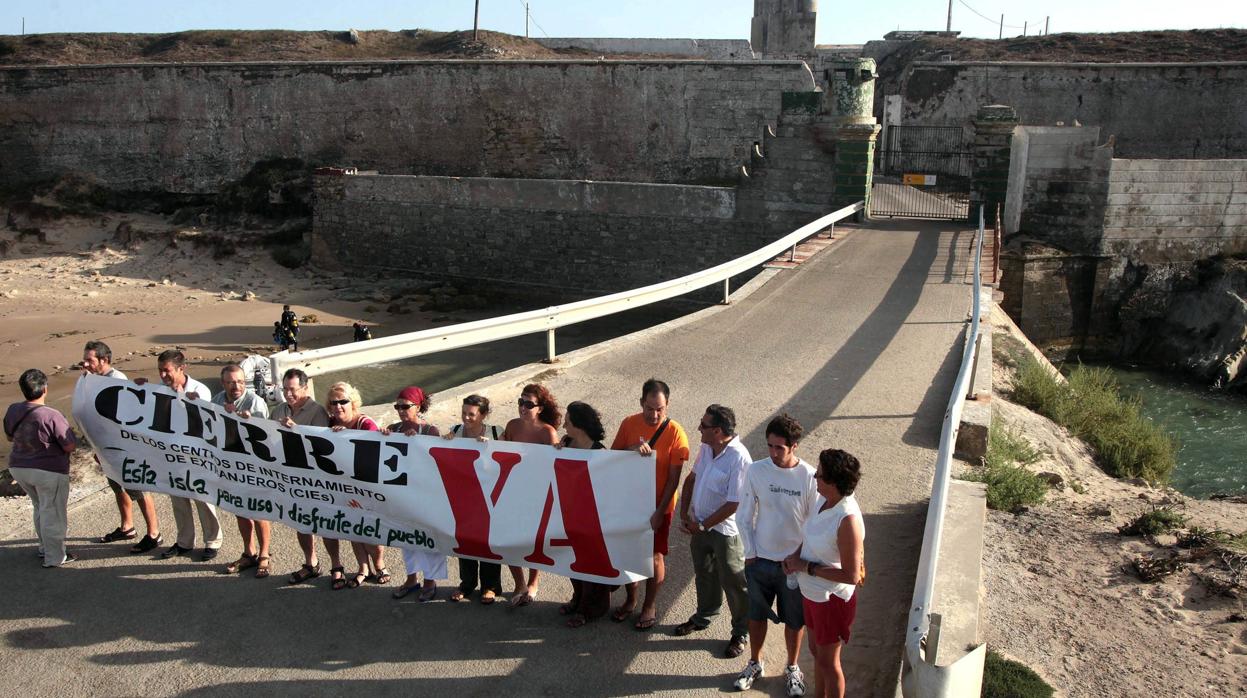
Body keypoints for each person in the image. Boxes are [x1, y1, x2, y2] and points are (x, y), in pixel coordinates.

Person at [734, 414, 818, 695]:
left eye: (779, 448)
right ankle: (755, 662)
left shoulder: (808, 476)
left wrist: (799, 559)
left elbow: (813, 523)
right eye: (769, 446)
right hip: (760, 562)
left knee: (794, 621)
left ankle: (792, 668)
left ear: (794, 446)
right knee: (756, 616)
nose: (772, 453)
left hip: (792, 566)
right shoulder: (757, 471)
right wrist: (750, 552)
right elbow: (744, 514)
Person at [609, 378, 690, 631]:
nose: (654, 414)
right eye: (649, 408)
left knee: (654, 557)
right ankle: (631, 599)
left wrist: (659, 512)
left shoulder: (676, 433)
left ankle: (649, 604)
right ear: (641, 403)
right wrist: (631, 449)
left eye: (660, 409)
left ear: (667, 406)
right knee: (629, 554)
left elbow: (674, 480)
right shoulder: (628, 424)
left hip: (659, 505)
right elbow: (610, 459)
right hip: (630, 504)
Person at [784, 450, 865, 698]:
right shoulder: (823, 500)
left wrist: (805, 567)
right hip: (813, 595)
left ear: (833, 481)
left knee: (830, 664)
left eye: (819, 474)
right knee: (817, 653)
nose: (815, 476)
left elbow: (852, 575)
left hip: (831, 601)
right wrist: (795, 558)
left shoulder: (846, 518)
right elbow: (809, 534)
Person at [674, 404, 752, 658]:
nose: (699, 428)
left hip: (725, 531)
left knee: (733, 579)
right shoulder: (707, 447)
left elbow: (734, 503)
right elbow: (692, 479)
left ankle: (741, 630)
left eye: (704, 425)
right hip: (700, 525)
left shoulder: (739, 458)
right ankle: (704, 615)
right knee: (704, 572)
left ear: (718, 431)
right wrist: (685, 513)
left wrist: (704, 524)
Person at [136, 350, 222, 561]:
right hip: (171, 455)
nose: (163, 375)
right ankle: (184, 542)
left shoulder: (199, 390)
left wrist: (181, 396)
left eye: (167, 371)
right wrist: (140, 389)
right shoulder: (160, 389)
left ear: (181, 369)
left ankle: (212, 541)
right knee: (179, 500)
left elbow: (201, 422)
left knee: (203, 499)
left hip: (196, 455)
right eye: (160, 371)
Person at [81, 340, 162, 554]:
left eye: (89, 360)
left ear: (104, 360)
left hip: (124, 447)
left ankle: (154, 533)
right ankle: (127, 526)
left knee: (138, 487)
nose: (85, 364)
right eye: (85, 360)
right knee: (117, 486)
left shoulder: (116, 380)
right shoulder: (92, 380)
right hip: (105, 446)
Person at [4, 369, 78, 567]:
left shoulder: (13, 410)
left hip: (19, 467)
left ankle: (44, 548)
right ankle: (54, 557)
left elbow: (10, 436)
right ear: (45, 388)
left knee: (40, 507)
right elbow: (69, 445)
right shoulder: (52, 415)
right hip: (48, 471)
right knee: (52, 512)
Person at [555, 401, 615, 628]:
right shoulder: (566, 443)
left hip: (592, 518)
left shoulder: (599, 452)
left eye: (568, 421)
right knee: (572, 561)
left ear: (578, 425)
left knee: (590, 563)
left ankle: (589, 609)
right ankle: (577, 598)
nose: (564, 425)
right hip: (570, 513)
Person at [383, 386, 446, 602]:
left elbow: (436, 464)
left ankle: (430, 581)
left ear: (418, 406)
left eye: (405, 406)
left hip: (425, 494)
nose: (400, 410)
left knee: (428, 538)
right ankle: (411, 578)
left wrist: (416, 443)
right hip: (401, 493)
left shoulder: (430, 432)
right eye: (397, 406)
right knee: (405, 537)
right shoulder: (393, 428)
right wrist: (382, 437)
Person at [501, 383, 560, 607]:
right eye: (520, 402)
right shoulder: (512, 425)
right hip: (511, 490)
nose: (522, 407)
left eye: (528, 404)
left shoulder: (548, 432)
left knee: (535, 541)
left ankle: (534, 582)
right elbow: (500, 452)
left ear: (540, 408)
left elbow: (556, 465)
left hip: (538, 492)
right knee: (506, 538)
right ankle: (519, 583)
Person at [212, 364, 273, 578]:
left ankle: (264, 554)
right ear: (223, 383)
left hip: (253, 467)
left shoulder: (255, 401)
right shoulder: (218, 400)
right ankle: (249, 552)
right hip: (230, 465)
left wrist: (247, 420)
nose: (235, 386)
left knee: (258, 511)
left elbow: (265, 436)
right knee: (240, 510)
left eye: (239, 381)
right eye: (230, 382)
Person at [442, 394, 504, 604]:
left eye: (472, 414)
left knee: (488, 541)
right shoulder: (456, 432)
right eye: (464, 413)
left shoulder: (496, 432)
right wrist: (445, 442)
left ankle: (490, 585)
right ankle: (467, 584)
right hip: (463, 496)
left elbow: (507, 462)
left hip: (490, 497)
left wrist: (492, 449)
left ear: (483, 415)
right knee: (465, 540)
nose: (466, 418)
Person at [274, 368, 333, 585]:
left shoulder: (317, 411)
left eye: (293, 389)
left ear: (305, 388)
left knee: (326, 522)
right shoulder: (279, 409)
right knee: (301, 521)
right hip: (291, 476)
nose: (288, 394)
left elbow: (323, 445)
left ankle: (336, 565)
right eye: (285, 389)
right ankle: (311, 563)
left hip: (315, 477)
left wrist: (297, 429)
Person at [326, 381, 388, 590]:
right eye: (334, 403)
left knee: (369, 531)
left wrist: (346, 437)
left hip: (366, 487)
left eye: (343, 402)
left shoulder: (365, 424)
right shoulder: (329, 424)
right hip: (343, 486)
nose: (338, 407)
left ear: (353, 402)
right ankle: (363, 568)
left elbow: (374, 453)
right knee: (353, 528)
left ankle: (379, 565)